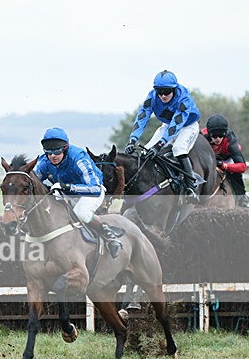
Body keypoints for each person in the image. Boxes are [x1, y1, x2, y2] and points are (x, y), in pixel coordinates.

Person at [34, 127, 124, 258]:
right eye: (49, 152)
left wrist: (67, 187)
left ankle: (109, 234)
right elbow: (34, 181)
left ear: (65, 149)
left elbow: (95, 188)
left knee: (80, 212)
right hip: (66, 193)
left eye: (57, 152)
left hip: (91, 192)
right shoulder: (45, 161)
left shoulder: (79, 158)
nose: (53, 156)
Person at [124, 70, 201, 200]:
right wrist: (132, 140)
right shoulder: (152, 97)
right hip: (167, 125)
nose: (163, 96)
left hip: (187, 126)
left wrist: (159, 146)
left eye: (167, 92)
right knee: (146, 152)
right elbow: (142, 117)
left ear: (174, 89)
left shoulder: (184, 98)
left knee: (178, 149)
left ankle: (190, 186)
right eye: (160, 92)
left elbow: (176, 125)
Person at [201, 114, 249, 208]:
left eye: (221, 135)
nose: (218, 139)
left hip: (227, 158)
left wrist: (224, 165)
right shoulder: (202, 136)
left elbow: (242, 166)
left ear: (225, 133)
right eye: (214, 136)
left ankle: (242, 198)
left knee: (236, 175)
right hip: (210, 158)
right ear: (209, 134)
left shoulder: (230, 139)